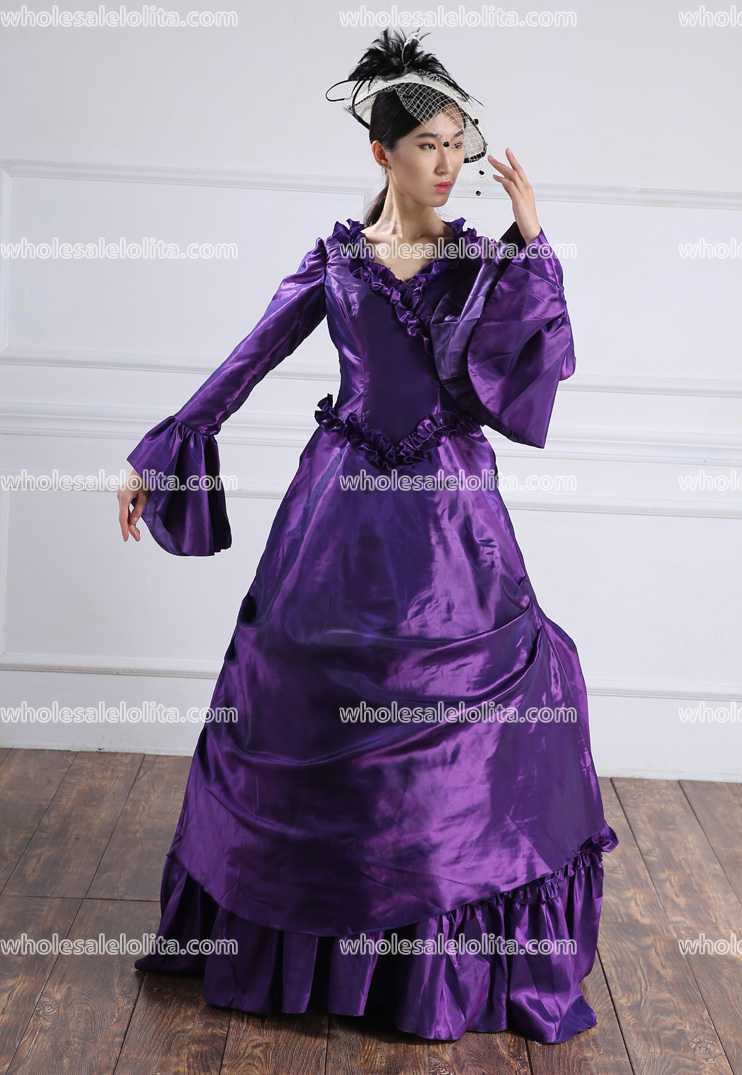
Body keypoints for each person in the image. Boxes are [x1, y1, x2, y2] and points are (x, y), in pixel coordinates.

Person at [117, 27, 618, 1044]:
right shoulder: (336, 261)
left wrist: (531, 240)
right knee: (302, 694)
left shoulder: (480, 261)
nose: (448, 163)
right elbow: (249, 357)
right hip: (337, 515)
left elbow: (536, 365)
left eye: (457, 144)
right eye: (428, 144)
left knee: (475, 716)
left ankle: (430, 966)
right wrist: (163, 450)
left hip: (448, 523)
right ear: (382, 152)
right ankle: (311, 947)